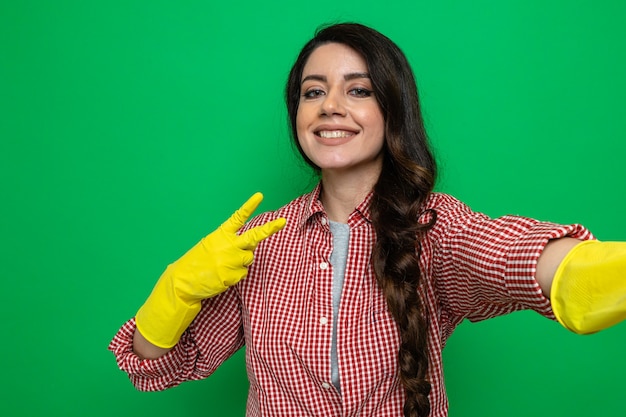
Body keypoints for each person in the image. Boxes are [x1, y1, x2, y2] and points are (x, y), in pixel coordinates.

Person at [109, 23, 626, 417]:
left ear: (392, 110)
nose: (330, 106)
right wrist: (174, 291)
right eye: (313, 92)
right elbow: (159, 367)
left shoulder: (434, 228)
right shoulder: (256, 243)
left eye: (358, 90)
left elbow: (513, 253)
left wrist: (585, 271)